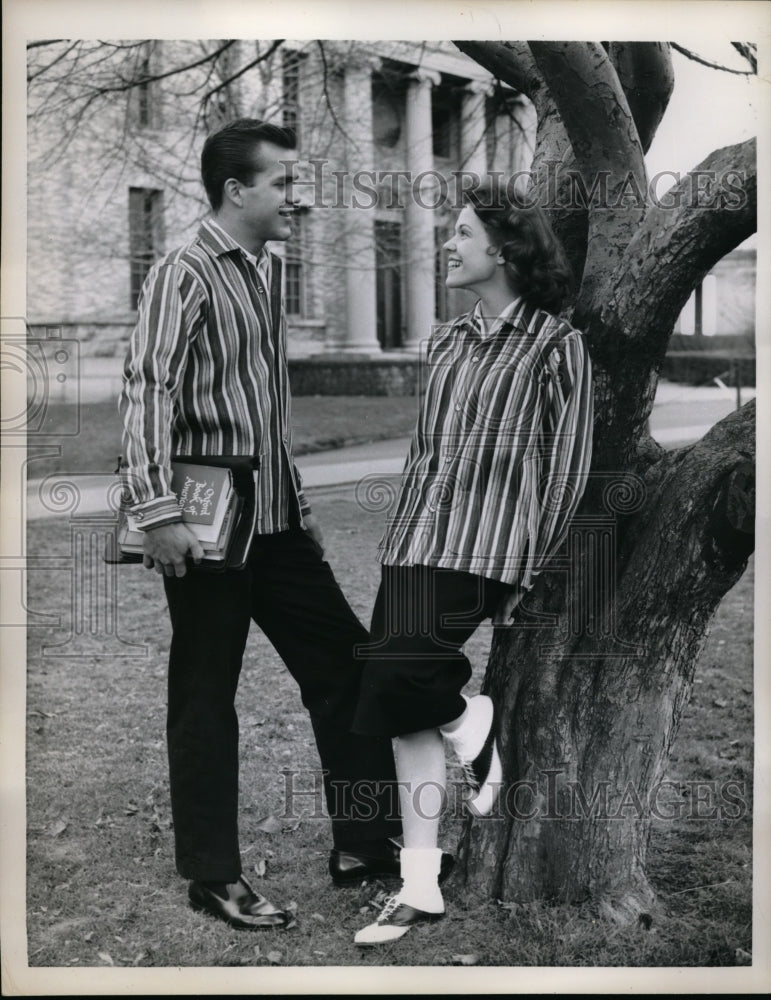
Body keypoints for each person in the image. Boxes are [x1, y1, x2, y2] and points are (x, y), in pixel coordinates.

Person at [119, 118, 426, 931]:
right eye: (286, 181)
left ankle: (364, 842)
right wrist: (156, 512)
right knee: (205, 697)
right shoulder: (182, 270)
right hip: (206, 526)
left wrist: (301, 507)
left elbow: (264, 410)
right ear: (236, 189)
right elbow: (148, 389)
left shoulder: (265, 269)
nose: (300, 194)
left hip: (278, 521)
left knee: (348, 668)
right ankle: (213, 876)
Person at [352, 180, 594, 945]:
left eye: (460, 233)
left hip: (486, 545)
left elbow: (568, 466)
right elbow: (426, 454)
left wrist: (534, 570)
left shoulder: (556, 345)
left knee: (403, 675)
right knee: (398, 707)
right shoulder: (446, 341)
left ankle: (471, 722)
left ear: (504, 249)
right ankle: (419, 885)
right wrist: (398, 536)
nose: (446, 245)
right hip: (416, 540)